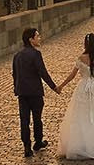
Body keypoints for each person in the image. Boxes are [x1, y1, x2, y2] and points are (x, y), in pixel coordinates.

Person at [56, 32, 94, 160]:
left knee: (81, 114)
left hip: (83, 88)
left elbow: (72, 75)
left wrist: (61, 85)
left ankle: (81, 144)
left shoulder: (81, 58)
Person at [11, 27, 59, 157]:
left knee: (24, 120)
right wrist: (54, 87)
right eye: (37, 36)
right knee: (37, 118)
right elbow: (42, 73)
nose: (39, 38)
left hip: (22, 92)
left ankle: (26, 146)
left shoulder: (17, 55)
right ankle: (38, 142)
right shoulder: (36, 54)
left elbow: (15, 74)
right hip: (35, 92)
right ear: (31, 40)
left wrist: (17, 88)